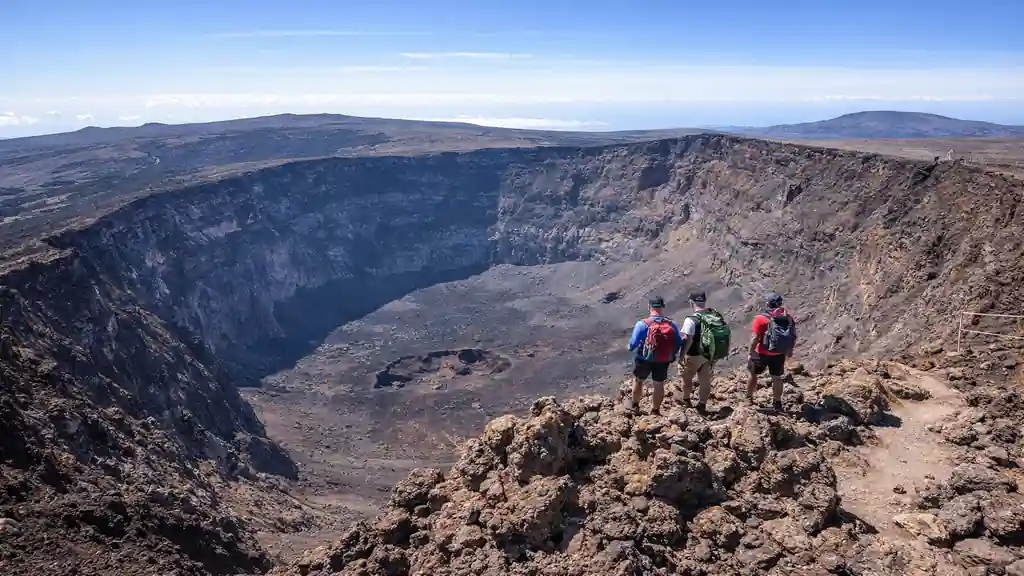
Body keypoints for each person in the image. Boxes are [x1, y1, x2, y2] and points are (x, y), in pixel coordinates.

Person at [626, 296, 684, 415]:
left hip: (643, 359)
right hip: (663, 360)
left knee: (638, 380)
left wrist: (630, 348)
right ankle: (655, 410)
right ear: (663, 307)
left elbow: (633, 343)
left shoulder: (642, 324)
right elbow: (679, 342)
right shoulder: (671, 325)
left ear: (649, 307)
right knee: (659, 384)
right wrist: (671, 354)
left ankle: (635, 405)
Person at [747, 292, 797, 412]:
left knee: (753, 374)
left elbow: (754, 338)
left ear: (768, 303)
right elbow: (793, 335)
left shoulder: (760, 318)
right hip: (779, 353)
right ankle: (777, 402)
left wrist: (750, 352)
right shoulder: (788, 318)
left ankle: (748, 398)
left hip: (761, 353)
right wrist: (789, 350)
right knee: (777, 377)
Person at [676, 291, 719, 413]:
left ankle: (686, 400)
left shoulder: (691, 320)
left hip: (693, 355)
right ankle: (702, 404)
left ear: (692, 302)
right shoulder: (713, 317)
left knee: (687, 378)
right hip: (708, 355)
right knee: (705, 380)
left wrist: (681, 356)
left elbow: (687, 340)